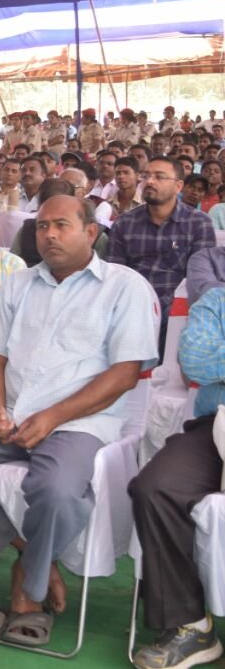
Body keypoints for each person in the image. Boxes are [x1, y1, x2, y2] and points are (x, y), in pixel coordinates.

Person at [0, 195, 159, 649]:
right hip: (10, 417)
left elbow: (124, 374)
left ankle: (27, 594)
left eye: (61, 225)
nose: (49, 235)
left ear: (91, 232)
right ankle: (35, 556)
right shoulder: (18, 285)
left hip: (78, 423)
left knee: (57, 491)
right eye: (42, 226)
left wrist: (53, 416)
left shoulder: (125, 287)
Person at [127, 286, 225, 669]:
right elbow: (196, 363)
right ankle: (192, 625)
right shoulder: (217, 301)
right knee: (155, 488)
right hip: (216, 425)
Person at [107, 156, 215, 329]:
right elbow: (115, 274)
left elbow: (197, 279)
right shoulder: (125, 223)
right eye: (146, 176)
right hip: (131, 306)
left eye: (159, 176)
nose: (149, 181)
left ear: (178, 186)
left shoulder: (199, 223)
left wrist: (160, 308)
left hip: (178, 309)